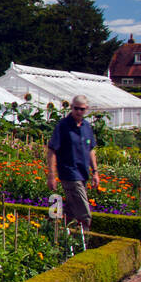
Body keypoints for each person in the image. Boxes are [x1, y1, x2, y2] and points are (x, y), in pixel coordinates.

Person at [45, 94, 100, 232]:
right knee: (84, 213)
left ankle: (58, 236)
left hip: (83, 174)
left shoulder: (87, 126)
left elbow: (91, 150)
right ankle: (85, 243)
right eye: (76, 108)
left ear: (86, 109)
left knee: (70, 211)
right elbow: (52, 150)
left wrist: (95, 172)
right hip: (69, 174)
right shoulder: (63, 126)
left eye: (82, 109)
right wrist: (51, 175)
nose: (79, 112)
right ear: (71, 107)